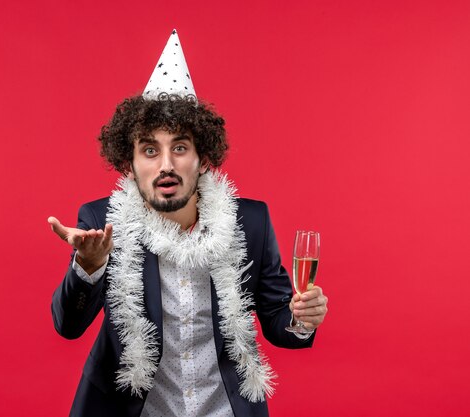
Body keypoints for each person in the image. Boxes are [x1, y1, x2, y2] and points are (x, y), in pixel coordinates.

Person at [48, 30, 328, 417]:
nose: (166, 165)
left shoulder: (251, 222)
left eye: (179, 148)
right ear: (129, 164)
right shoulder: (102, 224)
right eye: (150, 150)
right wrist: (89, 268)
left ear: (203, 158)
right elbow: (69, 327)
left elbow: (280, 320)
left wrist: (301, 318)